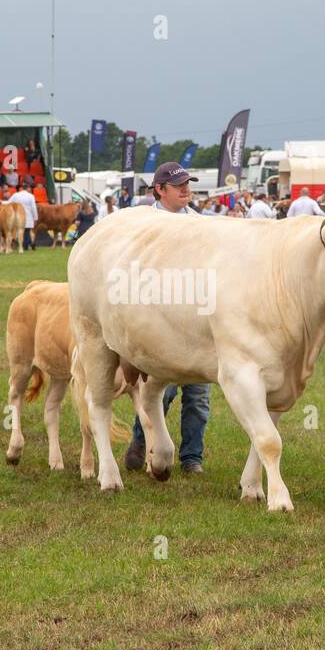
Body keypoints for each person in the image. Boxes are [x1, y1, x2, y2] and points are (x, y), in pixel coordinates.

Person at [121, 162, 210, 476]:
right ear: (159, 189)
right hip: (157, 321)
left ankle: (191, 459)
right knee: (160, 390)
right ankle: (141, 442)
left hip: (197, 318)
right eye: (179, 185)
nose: (186, 189)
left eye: (188, 183)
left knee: (198, 397)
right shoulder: (142, 224)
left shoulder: (200, 224)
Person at [5, 183, 38, 251]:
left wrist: (1, 202)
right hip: (28, 216)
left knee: (20, 231)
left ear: (22, 188)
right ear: (28, 188)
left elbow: (9, 202)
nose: (30, 189)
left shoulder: (16, 195)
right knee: (26, 232)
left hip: (17, 216)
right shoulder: (31, 196)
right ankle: (25, 246)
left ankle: (27, 244)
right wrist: (35, 218)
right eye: (30, 188)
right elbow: (33, 208)